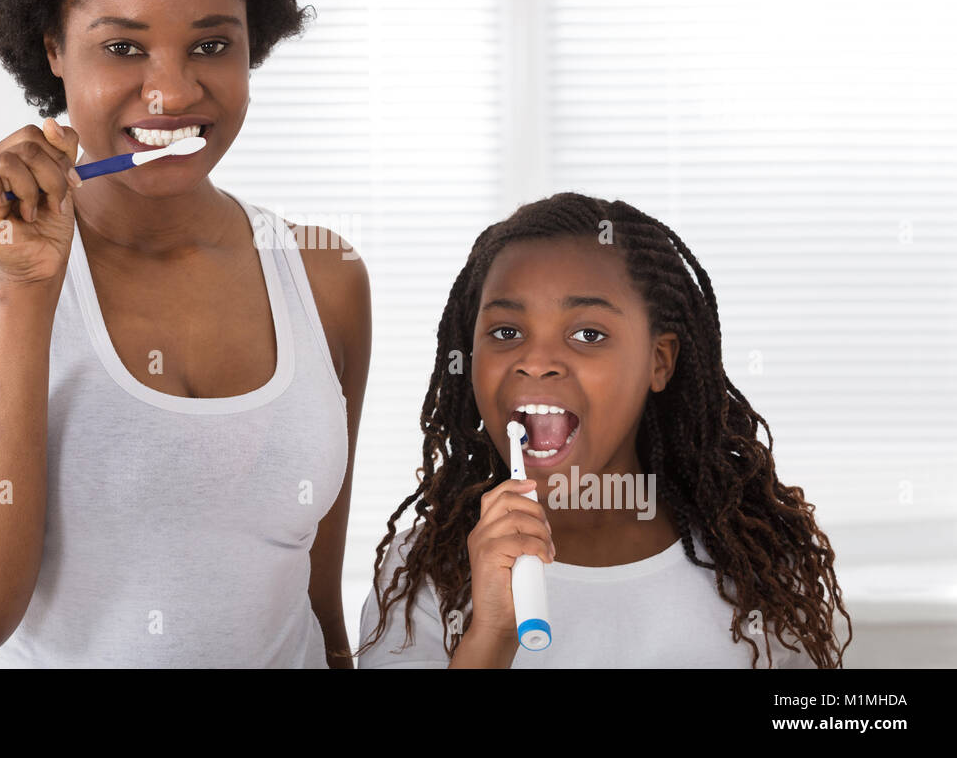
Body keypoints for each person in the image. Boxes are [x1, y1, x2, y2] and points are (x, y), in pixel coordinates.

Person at [0, 0, 370, 667]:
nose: (173, 92)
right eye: (123, 47)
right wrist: (30, 288)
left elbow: (314, 595)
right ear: (52, 49)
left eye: (212, 46)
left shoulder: (325, 275)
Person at [356, 192, 851, 668]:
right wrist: (492, 635)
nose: (536, 361)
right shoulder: (421, 575)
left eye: (588, 334)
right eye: (506, 332)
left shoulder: (756, 567)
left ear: (659, 362)